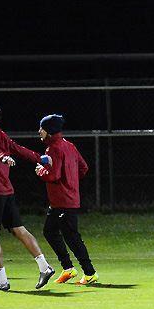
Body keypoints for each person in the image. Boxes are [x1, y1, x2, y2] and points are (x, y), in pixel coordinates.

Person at [0, 103, 54, 291]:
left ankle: (2, 281)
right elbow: (17, 149)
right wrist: (40, 158)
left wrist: (4, 158)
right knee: (19, 229)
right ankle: (44, 267)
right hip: (5, 190)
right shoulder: (0, 133)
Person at [33, 114, 98, 285]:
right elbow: (84, 168)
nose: (39, 131)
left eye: (42, 128)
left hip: (63, 200)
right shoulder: (70, 146)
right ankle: (68, 269)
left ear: (49, 130)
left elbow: (53, 175)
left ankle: (89, 273)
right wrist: (71, 181)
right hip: (66, 199)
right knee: (52, 232)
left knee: (70, 236)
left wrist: (41, 172)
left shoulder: (53, 148)